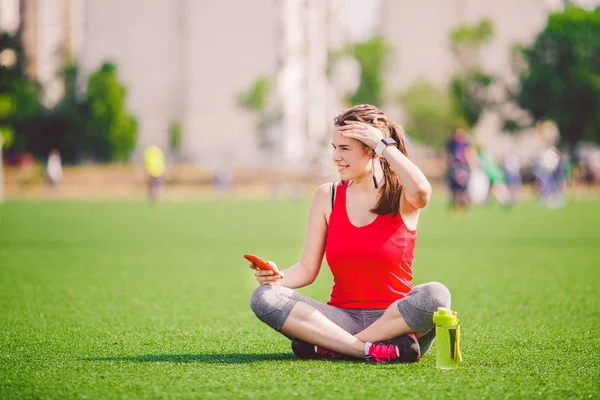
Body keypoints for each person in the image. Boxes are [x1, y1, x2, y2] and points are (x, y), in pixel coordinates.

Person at [249, 104, 451, 364]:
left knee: (437, 295)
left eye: (344, 148)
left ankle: (334, 346)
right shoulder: (327, 196)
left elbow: (423, 191)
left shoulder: (403, 195)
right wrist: (278, 278)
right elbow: (307, 269)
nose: (335, 157)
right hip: (341, 319)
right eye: (334, 147)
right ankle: (365, 350)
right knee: (264, 297)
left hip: (396, 320)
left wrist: (384, 145)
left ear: (372, 150)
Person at [445, 129, 472, 209]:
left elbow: (467, 156)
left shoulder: (464, 145)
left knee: (461, 189)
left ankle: (463, 205)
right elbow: (449, 157)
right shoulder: (452, 145)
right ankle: (457, 205)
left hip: (462, 168)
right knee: (456, 189)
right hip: (455, 167)